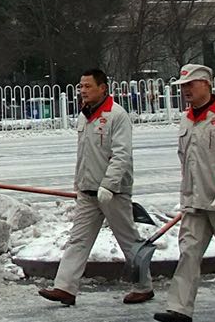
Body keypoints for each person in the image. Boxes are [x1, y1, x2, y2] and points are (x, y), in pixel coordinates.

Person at [38, 67, 153, 306]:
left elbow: (121, 155)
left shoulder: (117, 115)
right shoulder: (84, 116)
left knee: (129, 241)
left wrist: (109, 186)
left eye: (88, 86)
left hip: (114, 193)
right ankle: (65, 288)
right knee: (78, 240)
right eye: (81, 86)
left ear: (103, 88)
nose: (83, 91)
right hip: (88, 192)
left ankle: (144, 287)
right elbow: (84, 156)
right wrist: (79, 184)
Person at [155, 64, 215, 322]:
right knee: (188, 252)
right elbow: (185, 160)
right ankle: (180, 309)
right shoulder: (187, 119)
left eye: (191, 85)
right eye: (183, 86)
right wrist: (187, 194)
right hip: (194, 200)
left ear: (206, 84)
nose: (186, 90)